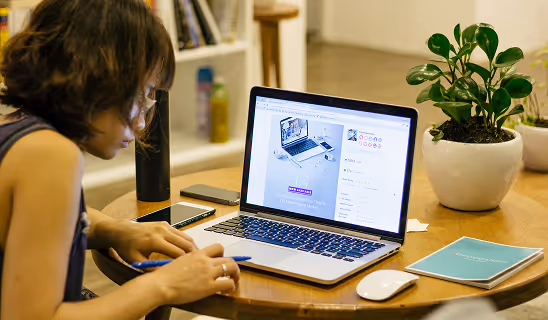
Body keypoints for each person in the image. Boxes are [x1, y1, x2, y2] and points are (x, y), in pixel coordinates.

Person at [0, 0, 240, 319]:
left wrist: (117, 230)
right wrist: (164, 285)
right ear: (98, 79)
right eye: (140, 96)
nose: (142, 122)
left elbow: (37, 218)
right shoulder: (52, 154)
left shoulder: (15, 127)